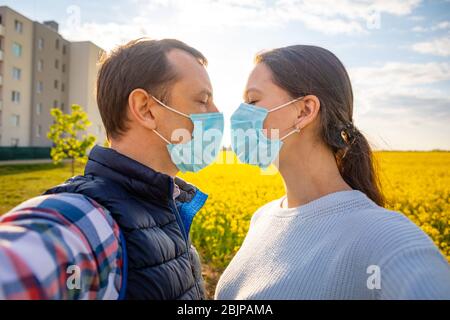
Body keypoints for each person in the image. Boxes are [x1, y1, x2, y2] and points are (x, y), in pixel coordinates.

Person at [215, 45, 450, 300]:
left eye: (252, 101)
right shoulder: (262, 219)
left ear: (304, 111)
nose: (240, 115)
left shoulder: (386, 239)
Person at [0, 38, 224, 300]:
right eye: (203, 100)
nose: (216, 112)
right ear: (146, 109)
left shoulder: (166, 206)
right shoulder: (86, 222)